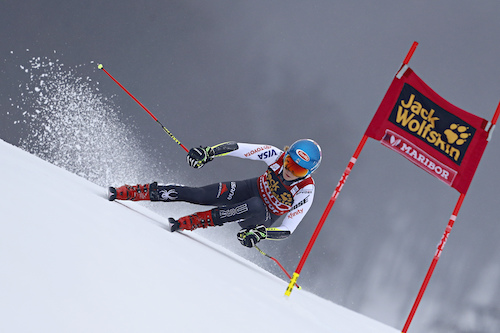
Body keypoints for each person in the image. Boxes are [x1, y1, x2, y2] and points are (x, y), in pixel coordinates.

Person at [108, 139, 321, 248]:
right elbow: (239, 148)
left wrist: (262, 234)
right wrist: (209, 153)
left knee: (255, 205)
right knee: (199, 195)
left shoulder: (306, 190)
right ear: (285, 155)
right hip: (250, 189)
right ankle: (135, 192)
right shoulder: (274, 154)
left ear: (308, 173)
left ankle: (196, 222)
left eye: (299, 170)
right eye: (289, 162)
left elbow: (288, 230)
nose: (289, 171)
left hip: (260, 218)